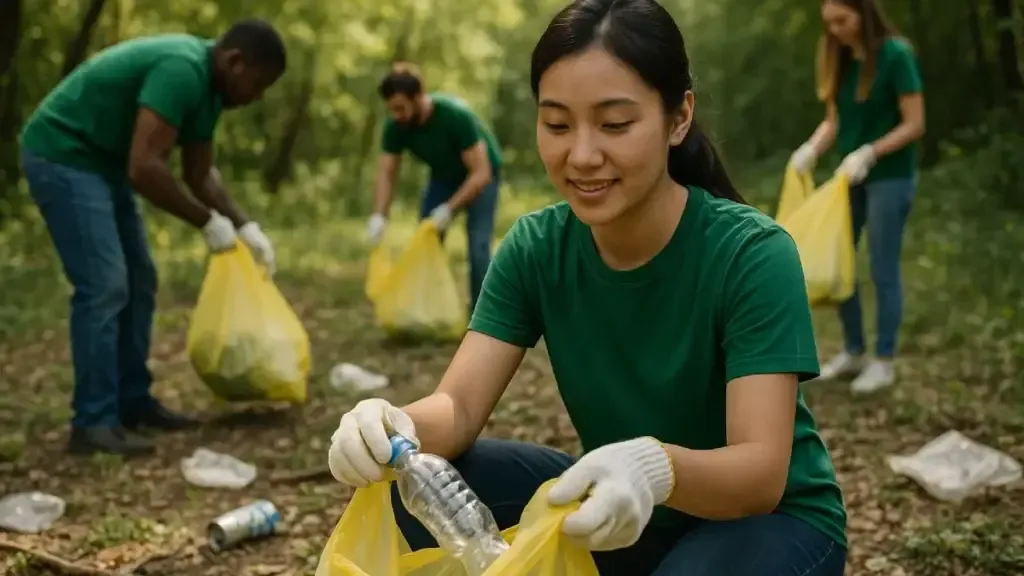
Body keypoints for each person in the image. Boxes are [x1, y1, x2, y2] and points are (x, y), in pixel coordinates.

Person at [327, 1, 847, 574]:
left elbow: (760, 474)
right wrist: (395, 426)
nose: (581, 155)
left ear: (679, 119)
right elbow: (459, 406)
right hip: (627, 513)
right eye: (556, 124)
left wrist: (655, 468)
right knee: (410, 499)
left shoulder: (751, 253)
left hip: (769, 525)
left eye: (615, 124)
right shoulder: (536, 249)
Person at [19, 20, 287, 457]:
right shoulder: (182, 69)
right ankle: (93, 421)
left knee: (140, 279)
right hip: (64, 152)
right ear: (234, 62)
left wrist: (243, 225)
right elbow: (144, 168)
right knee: (105, 285)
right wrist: (205, 222)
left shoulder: (209, 92)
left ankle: (132, 401)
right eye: (257, 84)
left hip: (103, 163)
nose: (258, 97)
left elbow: (199, 174)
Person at [790, 0, 925, 394]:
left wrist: (871, 152)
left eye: (842, 20)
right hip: (848, 178)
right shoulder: (841, 60)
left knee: (883, 266)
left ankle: (884, 360)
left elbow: (915, 123)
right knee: (840, 262)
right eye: (828, 23)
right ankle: (854, 351)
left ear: (863, 14)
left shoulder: (896, 56)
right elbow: (835, 121)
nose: (835, 30)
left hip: (890, 176)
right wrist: (811, 150)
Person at [366, 63, 503, 312]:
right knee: (426, 237)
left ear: (418, 97)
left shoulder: (455, 116)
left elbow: (480, 173)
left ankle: (483, 316)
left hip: (482, 175)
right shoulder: (397, 127)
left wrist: (449, 210)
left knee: (478, 244)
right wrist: (379, 215)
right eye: (391, 109)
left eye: (400, 108)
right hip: (443, 176)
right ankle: (425, 310)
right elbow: (387, 173)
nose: (396, 115)